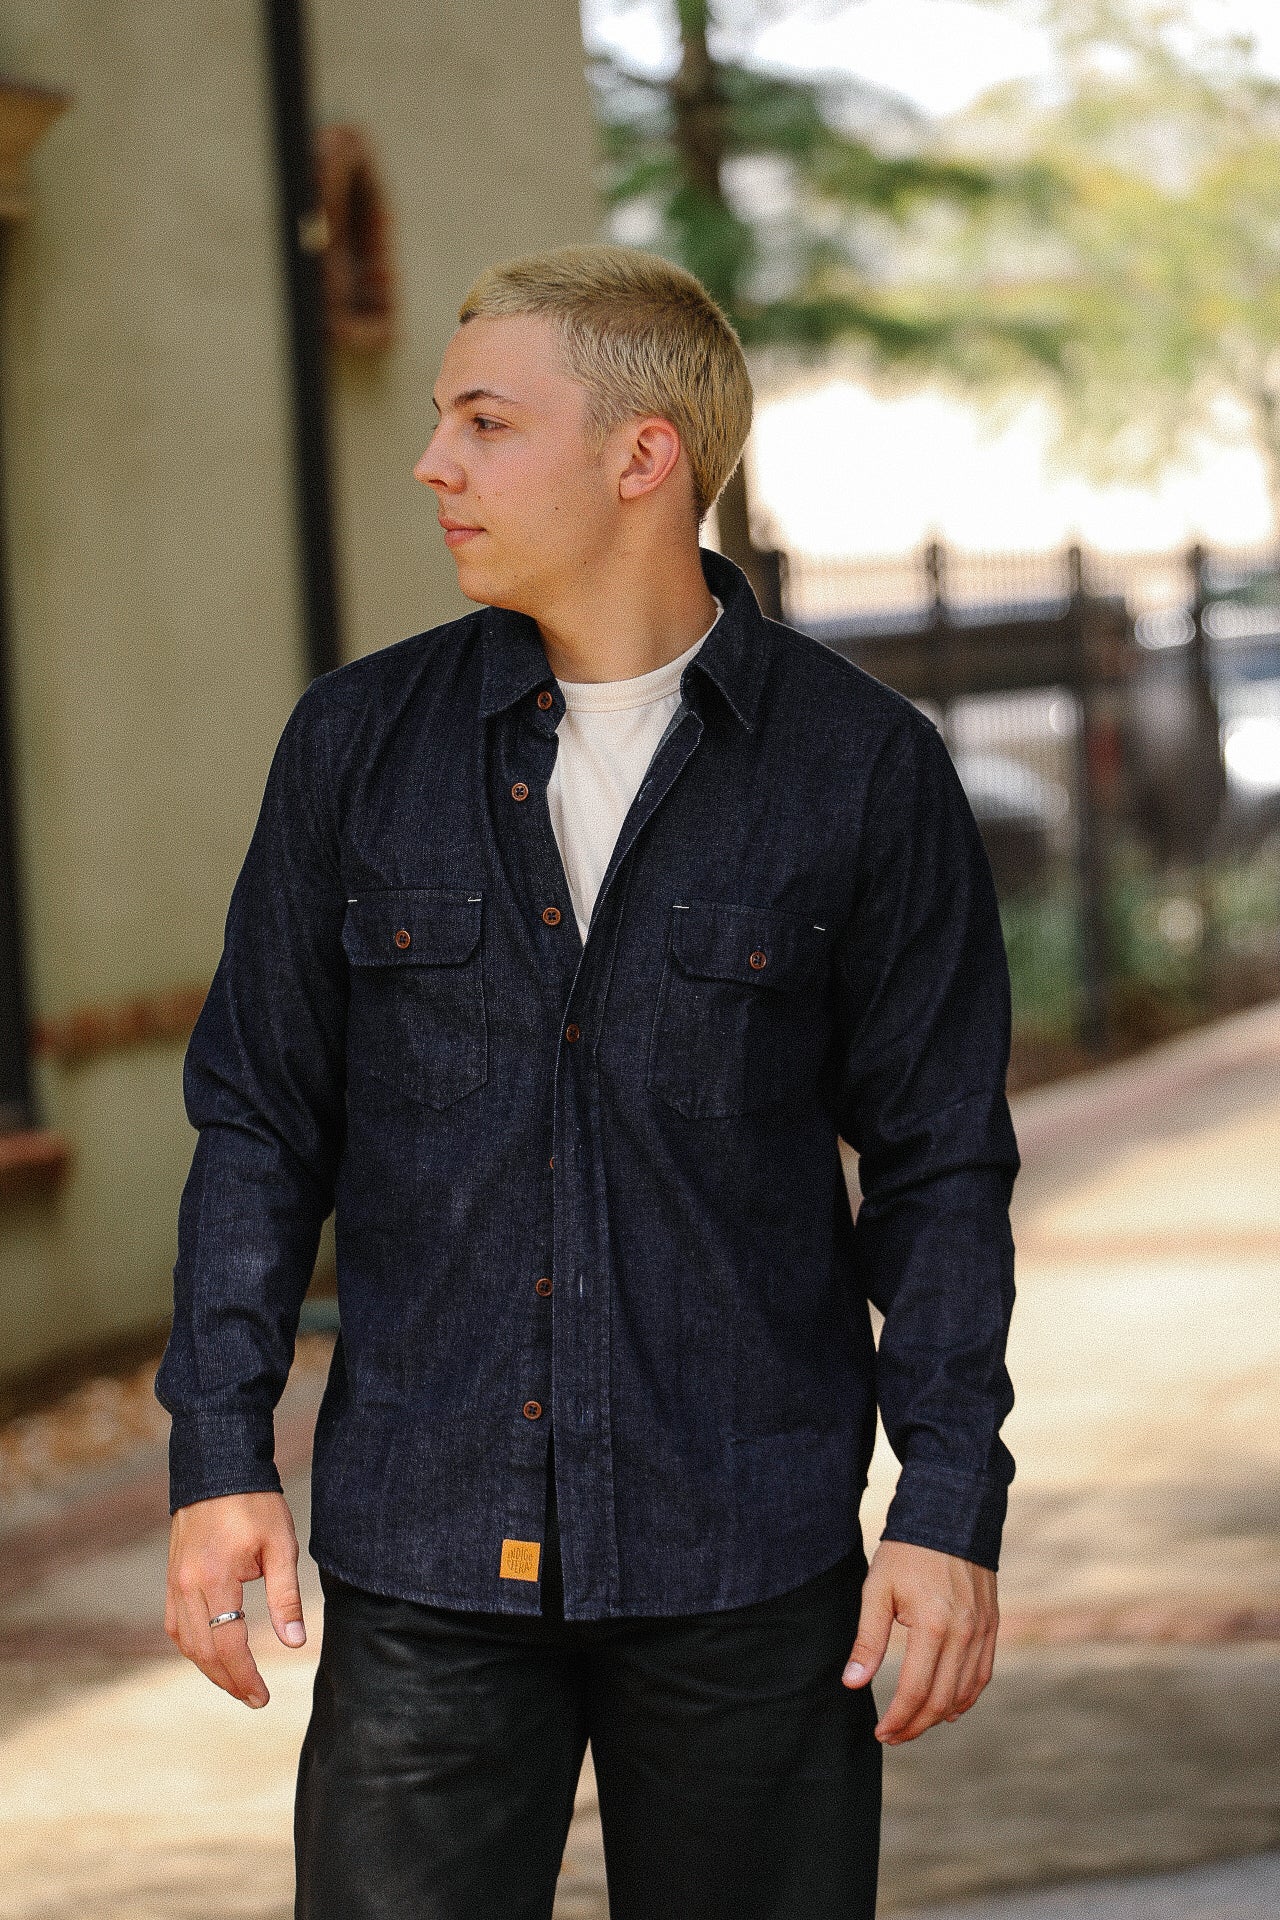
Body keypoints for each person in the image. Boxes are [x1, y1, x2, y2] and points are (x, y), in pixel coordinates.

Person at [157, 243, 1020, 1920]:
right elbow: (260, 1120)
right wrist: (218, 1454)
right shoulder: (355, 746)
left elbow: (936, 1167)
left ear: (644, 457)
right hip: (424, 1562)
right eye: (438, 421)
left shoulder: (861, 770)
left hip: (750, 1564)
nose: (435, 465)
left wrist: (949, 1503)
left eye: (486, 422)